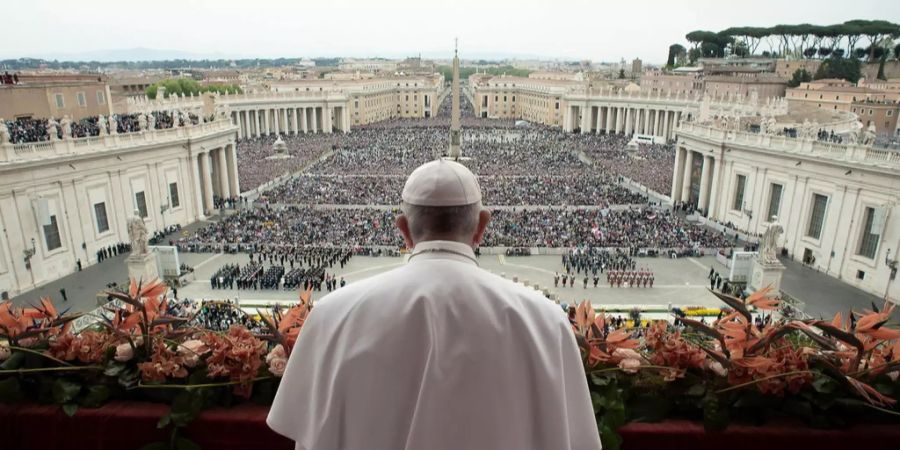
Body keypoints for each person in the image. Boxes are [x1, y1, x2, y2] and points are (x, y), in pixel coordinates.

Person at [268, 159, 601, 450]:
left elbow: (304, 433)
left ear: (403, 229)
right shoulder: (546, 321)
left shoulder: (331, 315)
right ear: (482, 226)